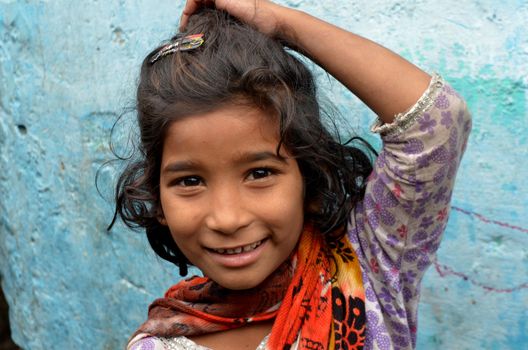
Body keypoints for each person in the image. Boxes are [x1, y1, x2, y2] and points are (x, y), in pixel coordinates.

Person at [115, 0, 472, 349]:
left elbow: (436, 122)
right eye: (190, 181)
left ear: (309, 178)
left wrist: (282, 23)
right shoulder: (158, 346)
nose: (227, 218)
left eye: (259, 173)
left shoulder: (370, 265)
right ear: (157, 196)